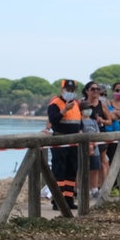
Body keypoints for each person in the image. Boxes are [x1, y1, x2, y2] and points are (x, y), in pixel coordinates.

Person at [47, 79, 83, 208]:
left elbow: (79, 121)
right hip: (60, 142)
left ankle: (69, 200)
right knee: (59, 171)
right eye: (68, 90)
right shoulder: (55, 104)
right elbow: (53, 120)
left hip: (73, 143)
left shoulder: (76, 104)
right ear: (62, 90)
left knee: (71, 171)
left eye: (72, 90)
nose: (70, 92)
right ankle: (57, 201)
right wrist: (64, 110)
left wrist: (80, 130)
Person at [80, 81, 113, 196]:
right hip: (85, 136)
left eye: (97, 89)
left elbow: (110, 121)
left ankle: (104, 189)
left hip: (99, 135)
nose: (96, 91)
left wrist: (102, 121)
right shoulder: (81, 103)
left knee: (102, 162)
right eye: (93, 89)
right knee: (84, 164)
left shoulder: (101, 104)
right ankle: (85, 188)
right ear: (87, 91)